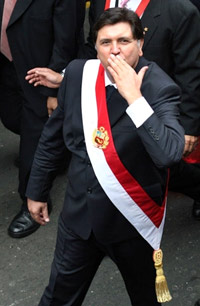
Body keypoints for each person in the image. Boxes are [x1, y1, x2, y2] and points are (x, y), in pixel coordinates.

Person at [26, 7, 184, 305]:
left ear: (141, 44)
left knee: (145, 299)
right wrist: (36, 190)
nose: (114, 51)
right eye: (105, 42)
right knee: (58, 298)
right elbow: (51, 138)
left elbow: (169, 154)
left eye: (123, 41)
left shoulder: (159, 88)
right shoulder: (77, 74)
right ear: (95, 46)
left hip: (131, 224)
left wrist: (134, 99)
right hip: (78, 219)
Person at [27, 0, 200, 220]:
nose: (115, 49)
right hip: (104, 100)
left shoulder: (180, 10)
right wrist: (66, 78)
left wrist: (190, 125)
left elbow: (190, 72)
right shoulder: (102, 2)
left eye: (124, 41)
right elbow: (95, 49)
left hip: (153, 107)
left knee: (161, 167)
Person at [0, 0, 85, 238]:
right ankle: (57, 152)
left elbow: (66, 38)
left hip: (41, 71)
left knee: (33, 133)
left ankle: (32, 200)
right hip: (8, 64)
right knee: (11, 118)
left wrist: (55, 89)